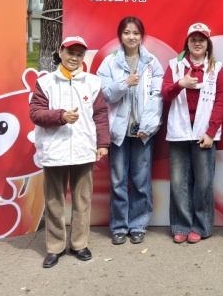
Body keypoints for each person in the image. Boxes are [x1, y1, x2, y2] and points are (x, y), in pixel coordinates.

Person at [29, 36, 110, 268]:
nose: (74, 57)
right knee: (54, 200)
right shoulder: (46, 83)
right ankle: (55, 247)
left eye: (79, 54)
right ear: (60, 52)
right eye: (70, 52)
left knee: (82, 199)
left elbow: (100, 115)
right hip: (54, 150)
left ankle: (79, 244)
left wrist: (102, 143)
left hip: (84, 149)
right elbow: (35, 113)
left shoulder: (93, 82)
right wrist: (61, 116)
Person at [97, 16, 163, 246]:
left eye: (135, 33)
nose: (131, 37)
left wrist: (148, 128)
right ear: (120, 36)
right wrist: (124, 83)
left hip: (143, 133)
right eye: (127, 33)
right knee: (118, 181)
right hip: (118, 133)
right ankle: (118, 227)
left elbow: (157, 98)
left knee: (141, 181)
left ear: (142, 36)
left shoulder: (152, 63)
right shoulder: (109, 62)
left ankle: (138, 225)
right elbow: (104, 95)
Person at [162, 23, 223, 244]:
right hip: (179, 132)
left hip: (204, 134)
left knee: (204, 183)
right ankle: (181, 225)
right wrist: (181, 83)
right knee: (178, 182)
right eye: (193, 39)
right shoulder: (174, 65)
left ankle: (201, 226)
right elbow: (165, 94)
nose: (197, 43)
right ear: (187, 42)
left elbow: (220, 101)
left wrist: (211, 132)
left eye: (202, 39)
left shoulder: (216, 68)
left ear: (208, 43)